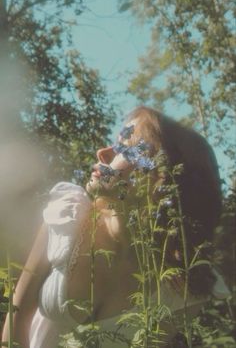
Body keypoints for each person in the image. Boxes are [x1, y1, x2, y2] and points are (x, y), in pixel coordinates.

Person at [1, 106, 229, 348]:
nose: (103, 152)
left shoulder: (183, 289)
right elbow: (15, 322)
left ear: (159, 177)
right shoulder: (67, 217)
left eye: (124, 147)